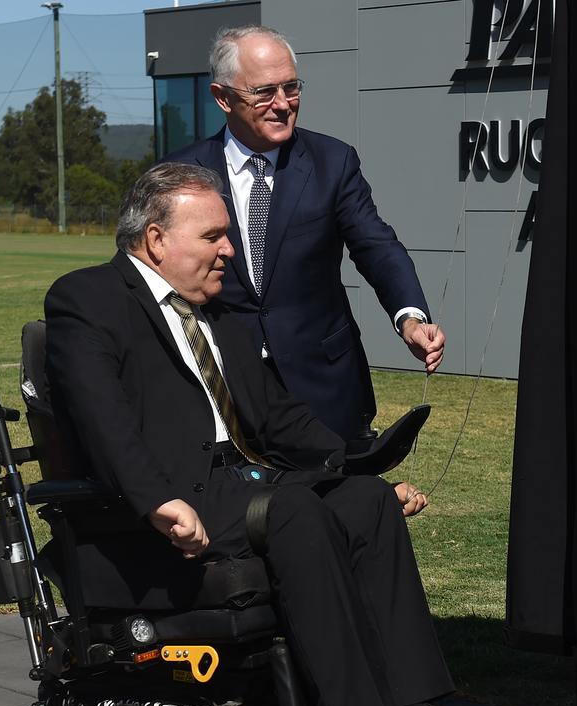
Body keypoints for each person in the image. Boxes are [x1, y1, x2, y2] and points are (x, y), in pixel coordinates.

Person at [44, 163, 455, 706]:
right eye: (212, 236)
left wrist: (355, 465)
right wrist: (157, 499)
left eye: (228, 235)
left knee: (368, 503)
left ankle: (416, 704)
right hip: (174, 495)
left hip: (246, 479)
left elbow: (280, 419)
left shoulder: (219, 313)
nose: (229, 250)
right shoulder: (88, 298)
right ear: (156, 239)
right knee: (293, 512)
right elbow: (103, 419)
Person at [161, 24, 446, 449]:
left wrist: (410, 317)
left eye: (291, 87)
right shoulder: (180, 175)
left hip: (324, 386)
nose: (283, 104)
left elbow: (376, 244)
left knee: (341, 508)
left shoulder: (333, 161)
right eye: (264, 92)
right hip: (223, 388)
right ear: (223, 98)